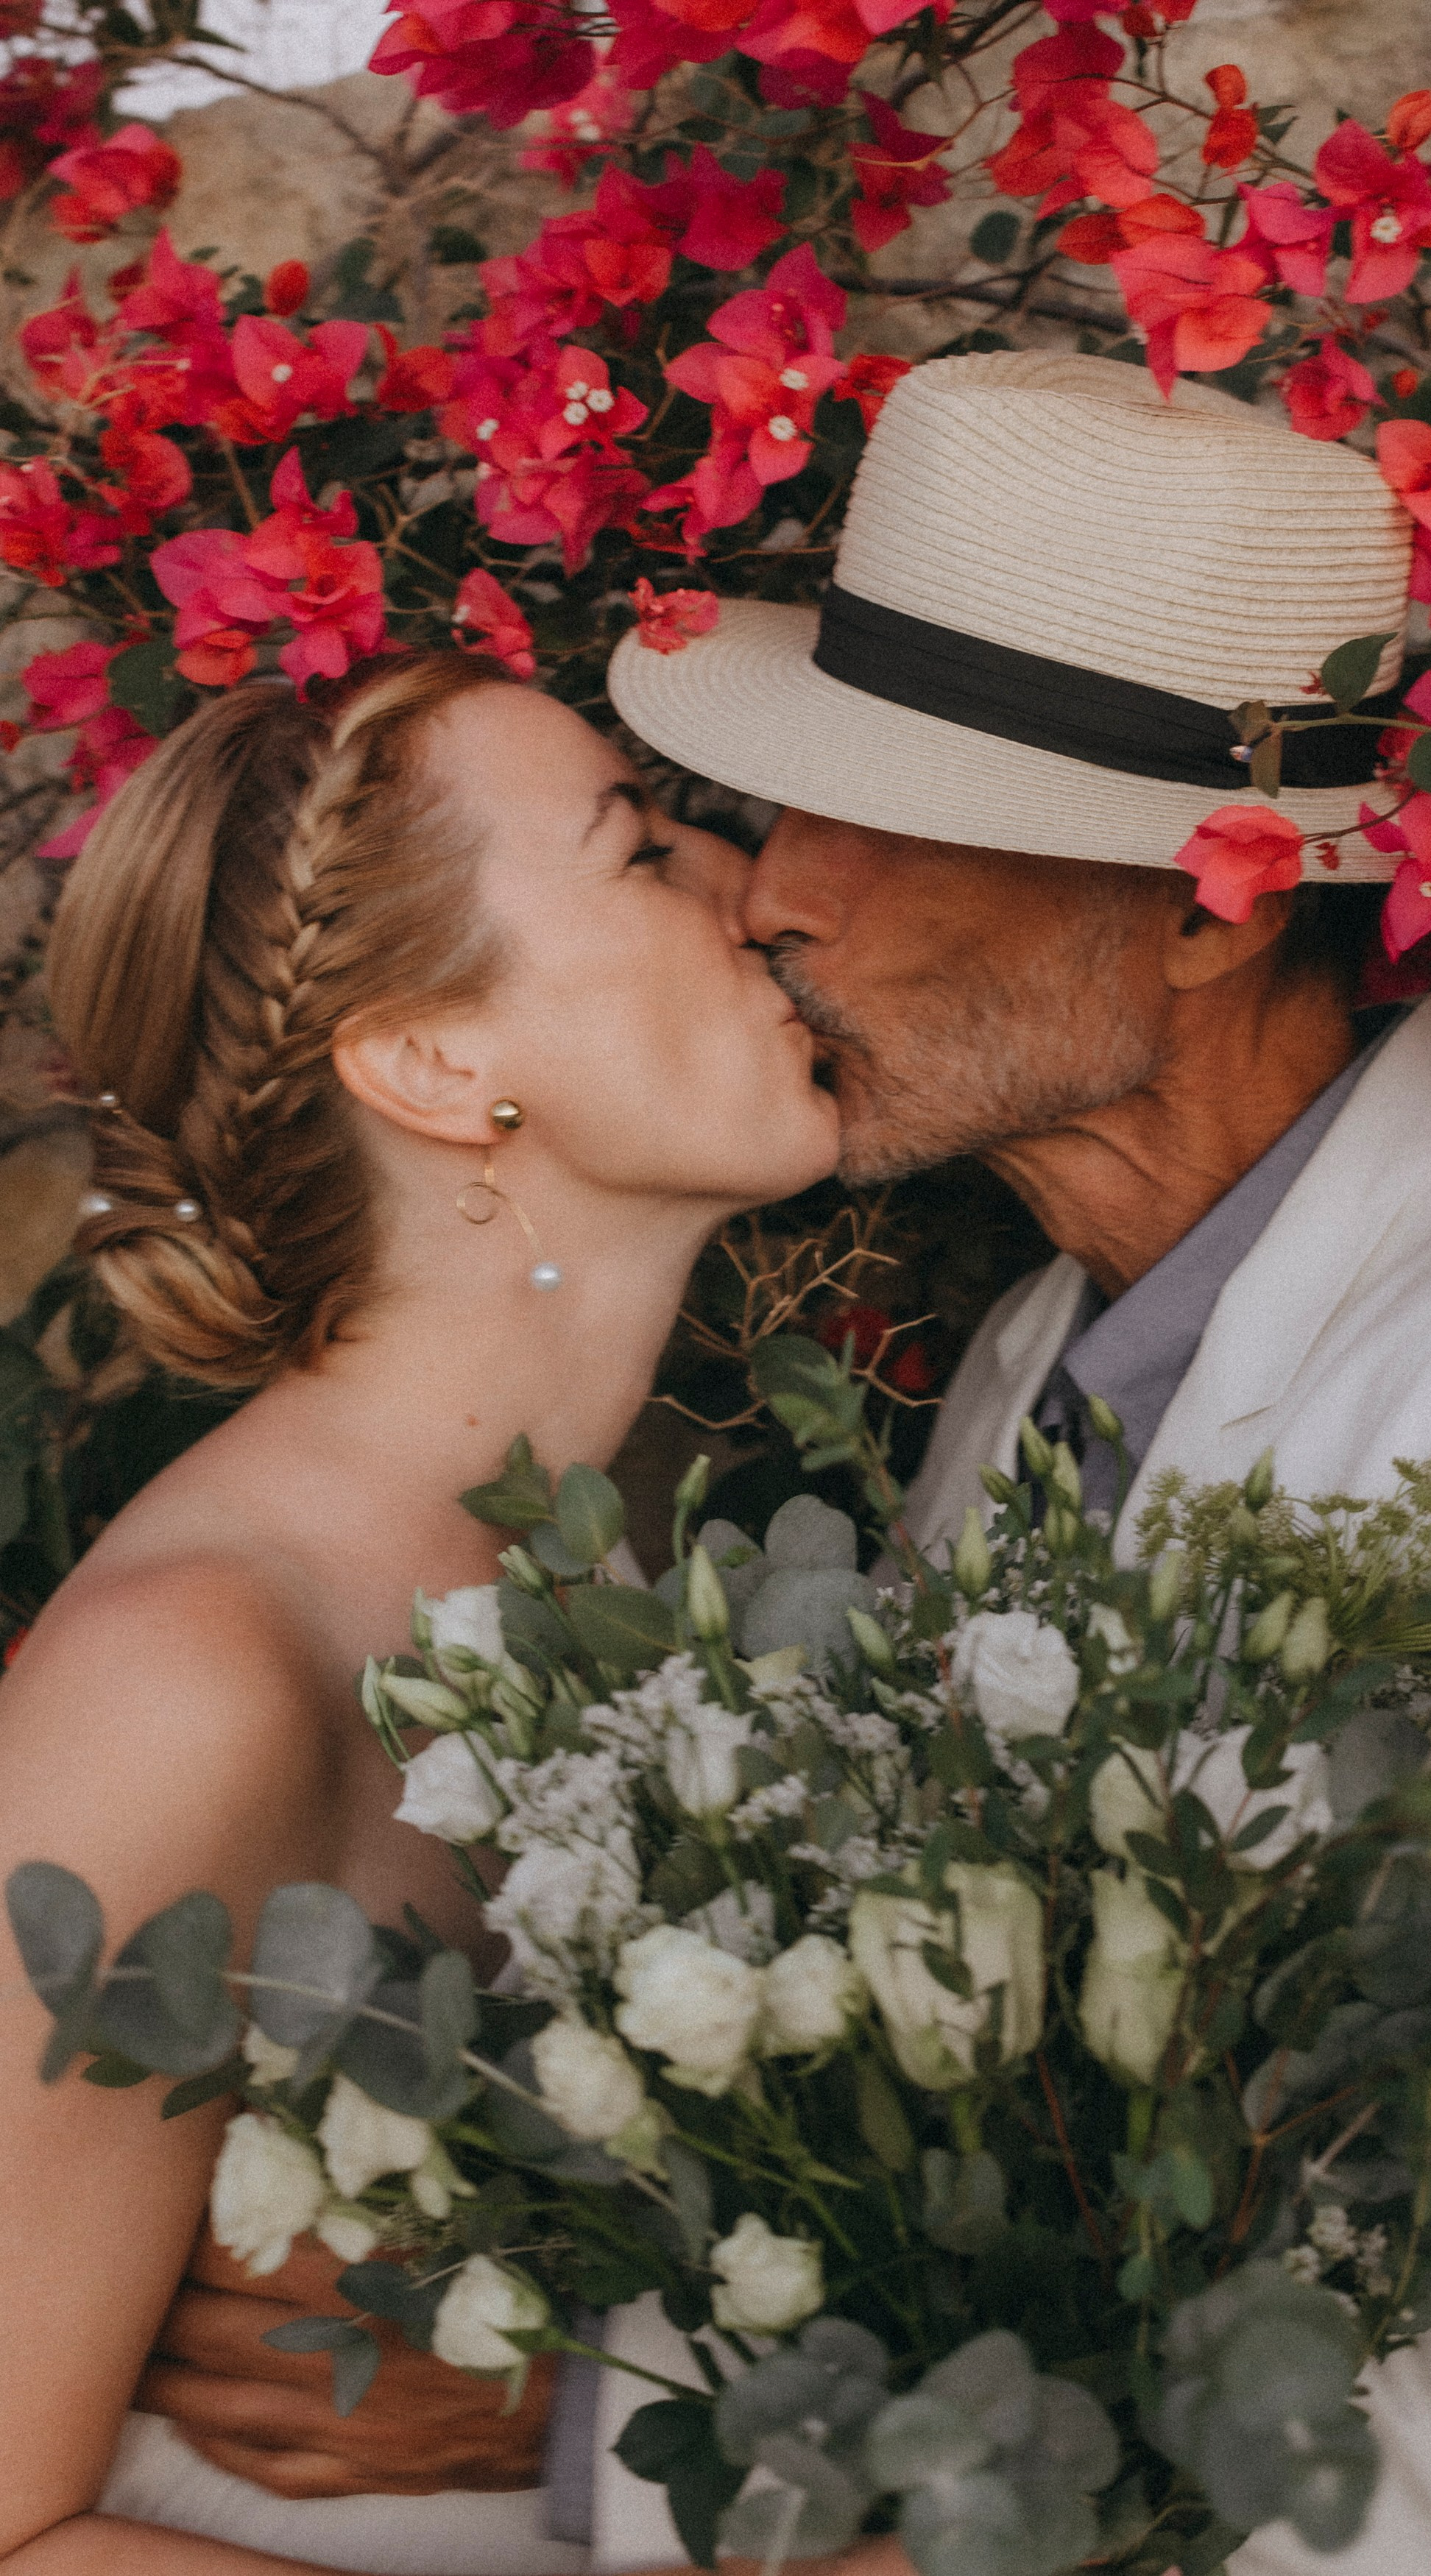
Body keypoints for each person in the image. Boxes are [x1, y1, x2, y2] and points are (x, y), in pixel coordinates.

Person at [141, 353, 1431, 2574]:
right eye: (792, 804)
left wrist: (596, 2413)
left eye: (892, 814)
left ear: (1209, 899)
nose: (776, 892)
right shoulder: (1036, 1366)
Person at [0, 648, 861, 2576]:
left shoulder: (642, 1556)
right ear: (434, 1062)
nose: (750, 882)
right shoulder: (201, 1674)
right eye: (639, 848)